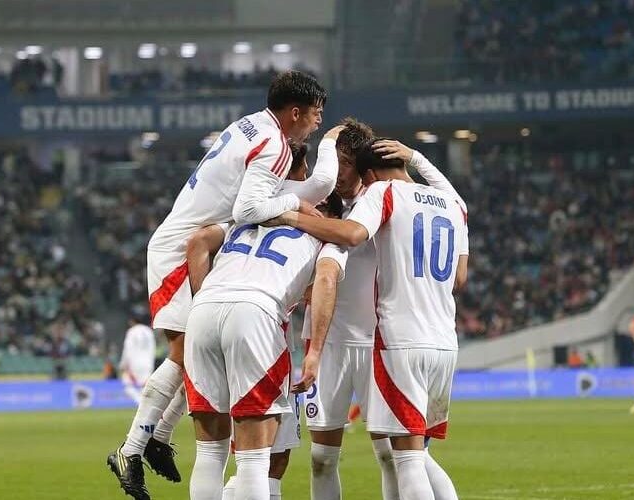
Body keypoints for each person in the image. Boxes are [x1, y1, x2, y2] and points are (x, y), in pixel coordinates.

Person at [107, 70, 329, 500]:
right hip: (183, 249)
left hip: (185, 240)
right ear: (295, 112)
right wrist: (297, 203)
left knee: (195, 358)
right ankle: (132, 448)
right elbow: (248, 209)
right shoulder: (276, 145)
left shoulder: (248, 124)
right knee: (183, 355)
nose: (317, 122)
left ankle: (155, 439)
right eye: (315, 113)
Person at [272, 138, 470, 500]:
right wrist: (418, 158)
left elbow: (351, 234)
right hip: (433, 339)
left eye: (349, 165)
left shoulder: (381, 196)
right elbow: (459, 277)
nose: (340, 173)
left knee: (406, 458)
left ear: (368, 174)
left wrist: (288, 216)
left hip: (390, 341)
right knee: (334, 457)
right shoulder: (451, 204)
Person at [184, 144, 343, 500]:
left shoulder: (247, 218)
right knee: (255, 460)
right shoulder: (323, 235)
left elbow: (197, 242)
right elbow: (324, 282)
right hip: (256, 312)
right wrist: (315, 350)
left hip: (205, 307)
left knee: (209, 453)